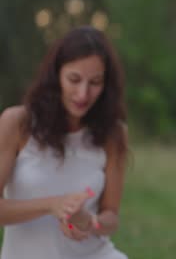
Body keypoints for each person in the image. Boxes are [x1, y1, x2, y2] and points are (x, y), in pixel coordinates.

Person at [0, 26, 128, 259]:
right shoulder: (17, 123)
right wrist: (52, 205)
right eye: (74, 79)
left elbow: (111, 217)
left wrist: (92, 222)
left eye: (95, 82)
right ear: (56, 75)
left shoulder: (113, 133)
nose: (83, 94)